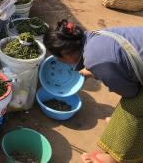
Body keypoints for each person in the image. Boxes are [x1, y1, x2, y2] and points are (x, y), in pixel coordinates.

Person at [44, 20, 143, 163]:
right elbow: (117, 59)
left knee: (132, 108)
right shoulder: (93, 37)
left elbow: (131, 92)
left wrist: (98, 70)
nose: (60, 61)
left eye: (58, 57)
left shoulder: (96, 60)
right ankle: (119, 125)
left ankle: (116, 157)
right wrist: (96, 70)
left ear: (67, 53)